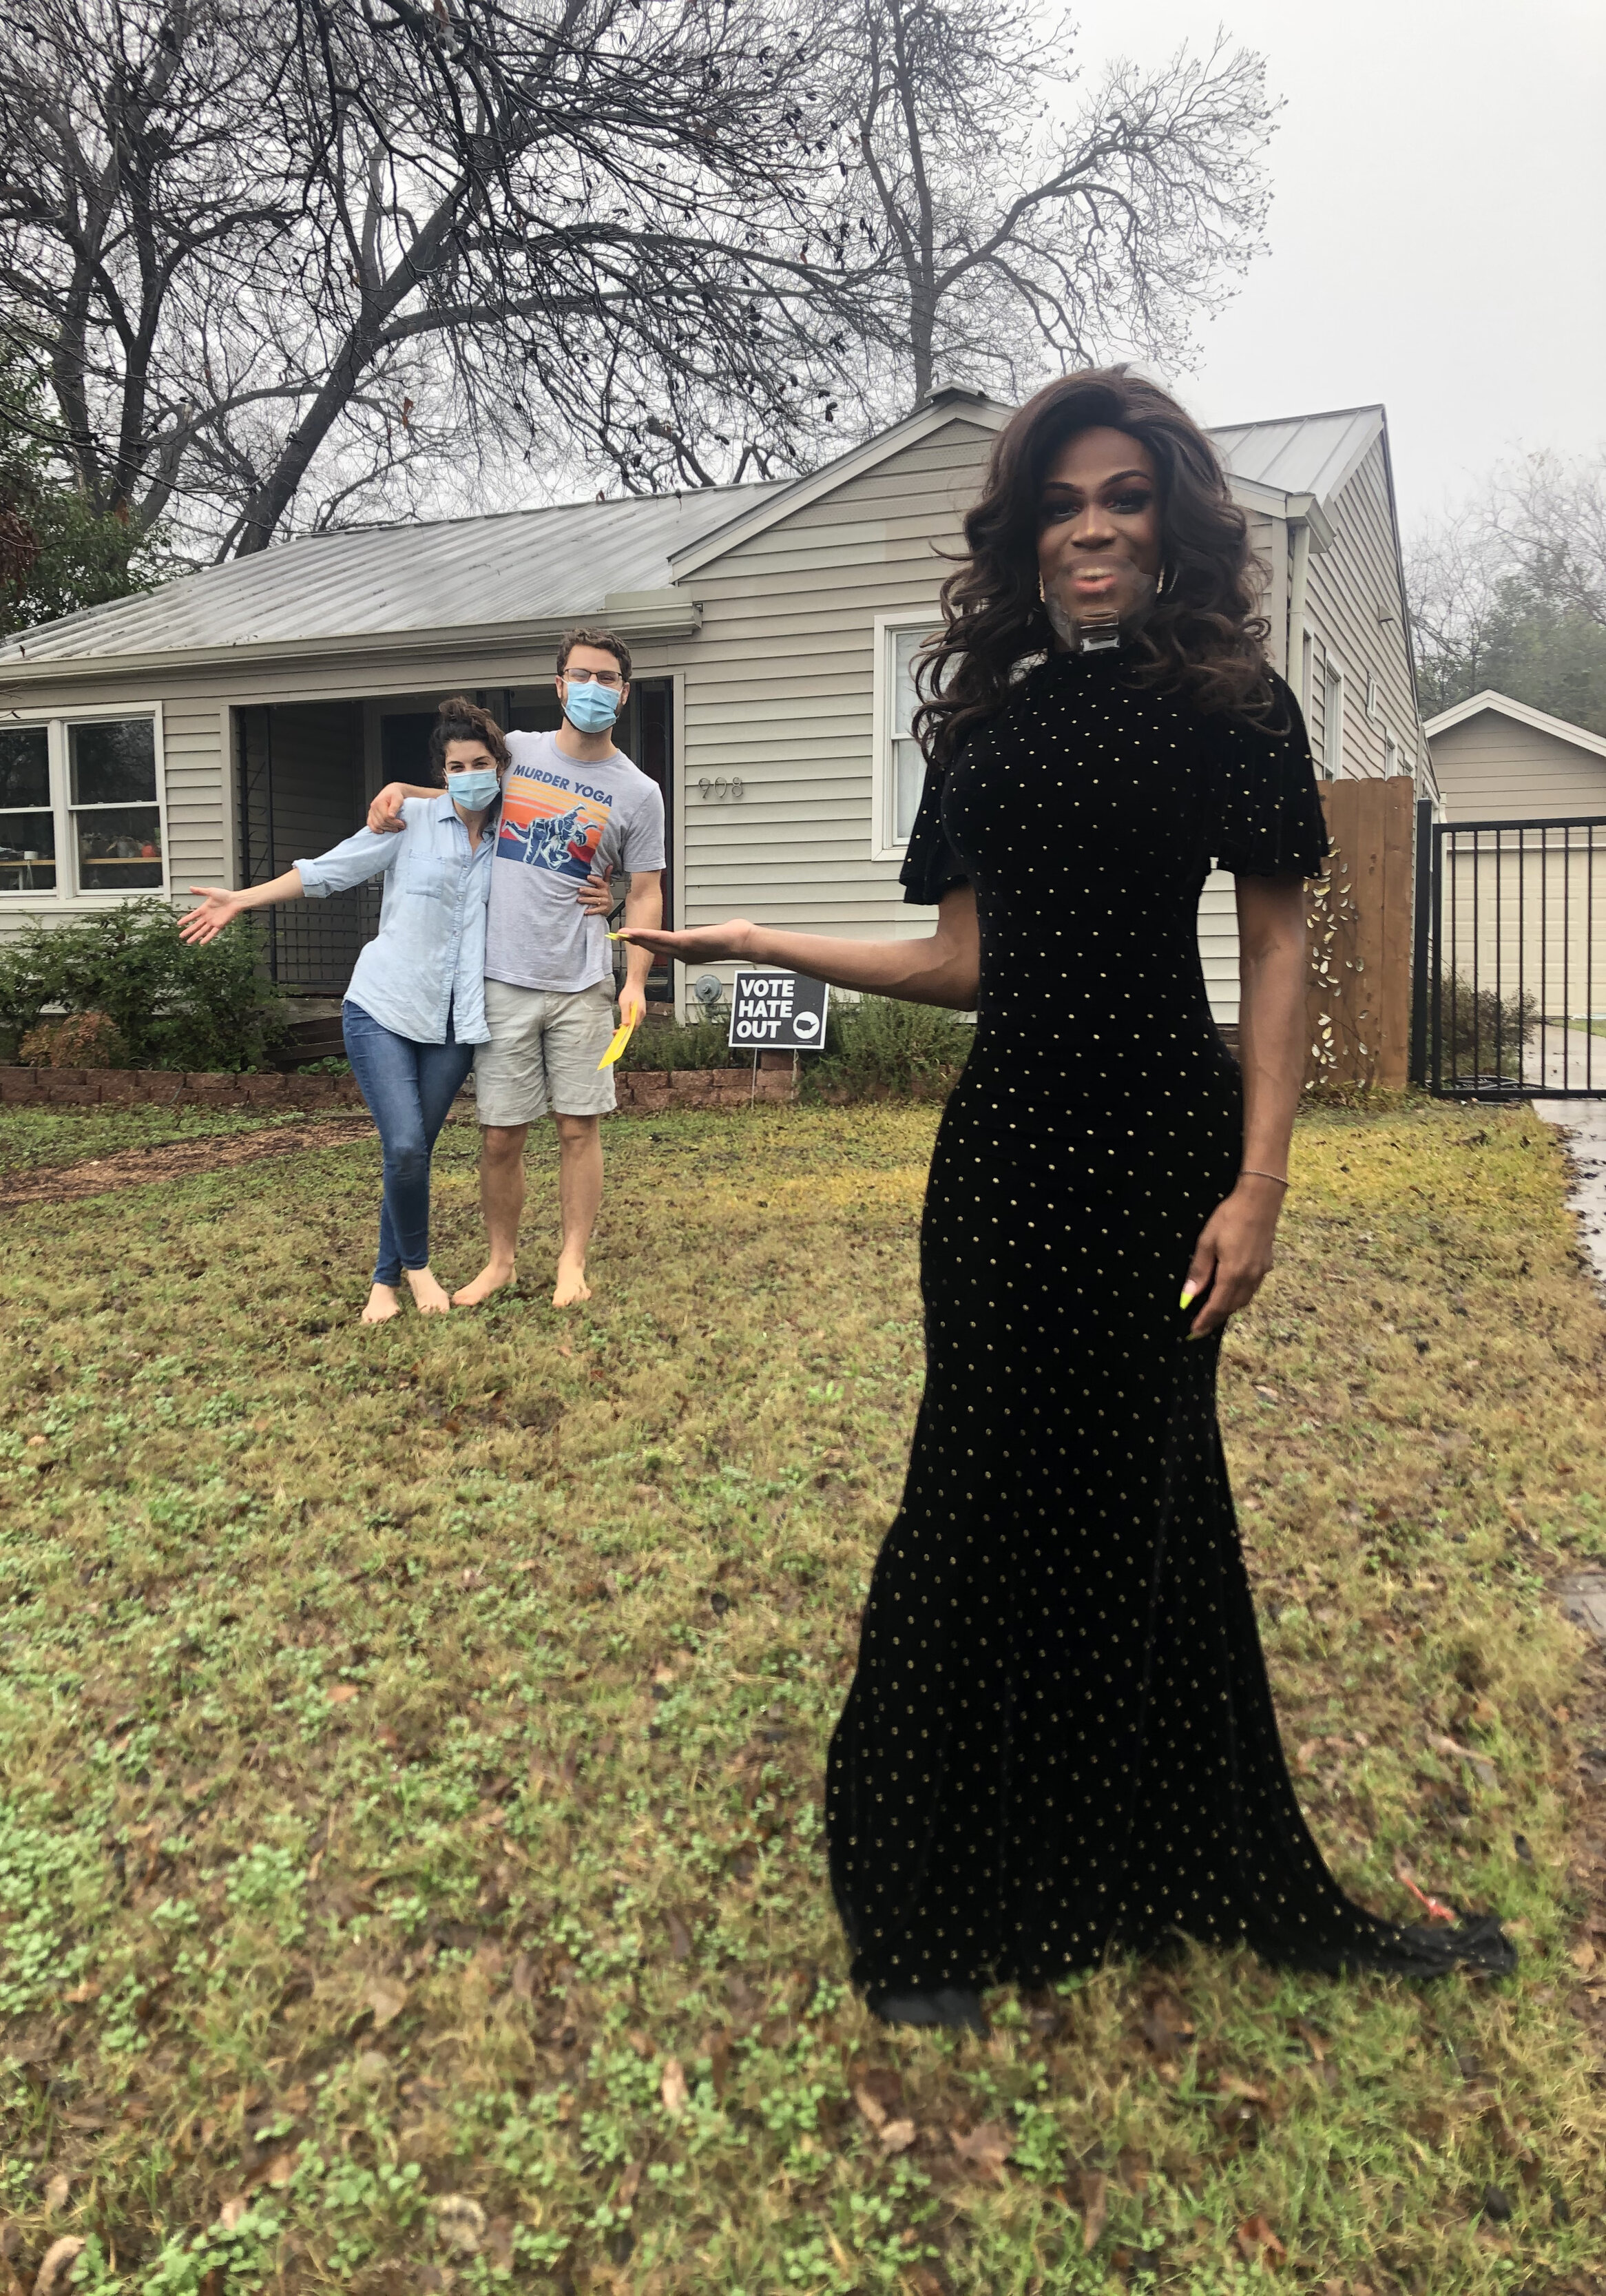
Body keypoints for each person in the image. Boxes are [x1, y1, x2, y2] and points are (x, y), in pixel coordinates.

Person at [620, 369, 1513, 2033]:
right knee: (969, 1500)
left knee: (1149, 1503)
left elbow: (1271, 946)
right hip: (1009, 1161)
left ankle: (1143, 1864)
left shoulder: (1236, 707)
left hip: (1167, 1160)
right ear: (1024, 536)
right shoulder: (984, 723)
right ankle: (926, 1905)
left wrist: (1261, 1184)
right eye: (1061, 502)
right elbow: (961, 960)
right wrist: (758, 943)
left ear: (1169, 521)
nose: (1092, 525)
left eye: (1122, 496)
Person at [180, 696, 605, 1325]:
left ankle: (382, 1282)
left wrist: (604, 894)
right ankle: (415, 1268)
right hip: (382, 1006)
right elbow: (328, 872)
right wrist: (241, 899)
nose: (470, 774)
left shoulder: (515, 837)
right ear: (443, 773)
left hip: (458, 1023)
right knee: (404, 1144)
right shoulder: (409, 822)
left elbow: (569, 863)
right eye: (456, 765)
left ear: (500, 767)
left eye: (481, 762)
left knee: (412, 1152)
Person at [365, 628, 666, 1309]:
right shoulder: (520, 753)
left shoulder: (639, 792)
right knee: (501, 1134)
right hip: (499, 980)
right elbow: (460, 793)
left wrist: (636, 980)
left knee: (577, 1127)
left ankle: (571, 1263)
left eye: (607, 678)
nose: (593, 688)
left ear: (624, 691)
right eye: (581, 675)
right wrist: (398, 792)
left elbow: (646, 890)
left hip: (583, 986)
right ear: (559, 683)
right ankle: (499, 1262)